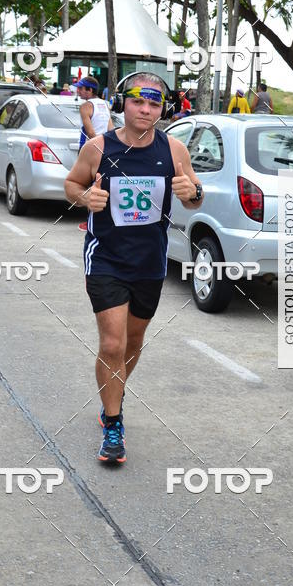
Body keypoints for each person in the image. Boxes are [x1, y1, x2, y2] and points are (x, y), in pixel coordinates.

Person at [64, 72, 204, 464]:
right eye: (138, 102)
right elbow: (72, 185)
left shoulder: (174, 149)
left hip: (150, 262)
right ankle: (113, 424)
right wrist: (85, 197)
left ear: (162, 108)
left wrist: (193, 193)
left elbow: (194, 196)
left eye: (154, 103)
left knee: (133, 343)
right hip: (106, 257)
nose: (145, 110)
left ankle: (115, 390)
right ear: (123, 102)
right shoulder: (98, 147)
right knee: (112, 343)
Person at [74, 75, 114, 231]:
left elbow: (90, 131)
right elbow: (110, 129)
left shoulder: (86, 106)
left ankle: (89, 221)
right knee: (100, 184)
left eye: (81, 88)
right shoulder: (104, 104)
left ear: (89, 90)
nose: (78, 91)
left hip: (89, 148)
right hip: (105, 147)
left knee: (86, 185)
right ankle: (100, 219)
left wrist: (95, 148)